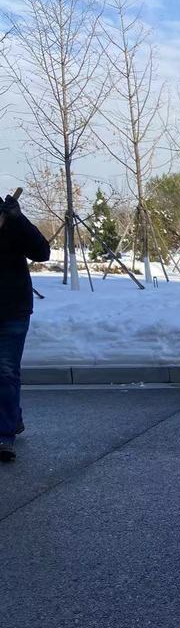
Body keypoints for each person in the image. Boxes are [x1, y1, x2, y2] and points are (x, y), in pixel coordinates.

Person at [0, 192, 51, 462]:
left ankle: (4, 435)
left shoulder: (10, 219)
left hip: (12, 310)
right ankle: (12, 417)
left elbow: (42, 252)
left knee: (5, 371)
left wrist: (18, 219)